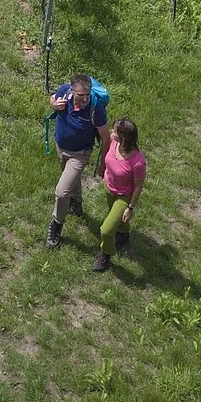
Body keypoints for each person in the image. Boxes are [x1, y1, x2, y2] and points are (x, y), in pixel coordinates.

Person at [46, 72, 108, 249]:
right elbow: (52, 98)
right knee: (70, 178)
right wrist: (54, 104)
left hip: (80, 153)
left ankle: (56, 225)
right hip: (61, 147)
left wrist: (103, 163)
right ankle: (77, 203)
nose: (85, 98)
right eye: (81, 95)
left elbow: (106, 137)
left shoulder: (96, 108)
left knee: (61, 192)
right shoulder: (65, 91)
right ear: (72, 91)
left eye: (88, 94)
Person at [94, 118, 146, 272]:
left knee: (106, 230)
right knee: (118, 220)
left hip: (124, 196)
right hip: (109, 188)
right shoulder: (113, 142)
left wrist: (130, 208)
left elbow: (138, 187)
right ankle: (123, 234)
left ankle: (106, 254)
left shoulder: (137, 162)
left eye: (115, 131)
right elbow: (106, 155)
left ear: (124, 138)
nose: (111, 132)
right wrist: (102, 167)